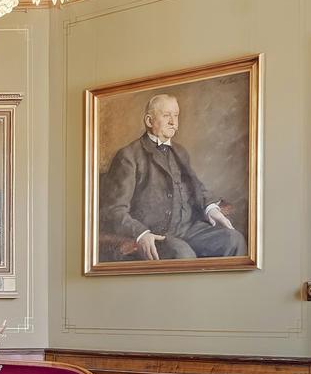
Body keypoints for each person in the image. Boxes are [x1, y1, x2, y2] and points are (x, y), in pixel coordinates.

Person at [96, 92, 244, 261]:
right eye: (166, 115)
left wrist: (211, 208)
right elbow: (114, 210)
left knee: (234, 240)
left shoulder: (180, 151)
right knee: (183, 254)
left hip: (189, 229)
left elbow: (196, 187)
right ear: (149, 121)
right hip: (156, 234)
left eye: (176, 115)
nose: (173, 122)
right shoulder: (128, 156)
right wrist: (141, 233)